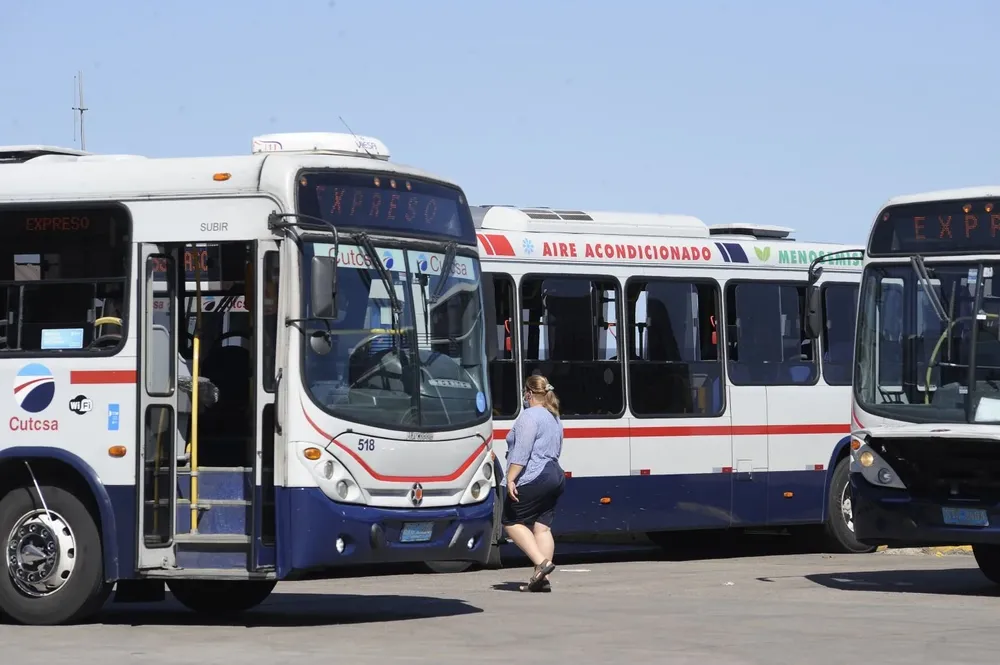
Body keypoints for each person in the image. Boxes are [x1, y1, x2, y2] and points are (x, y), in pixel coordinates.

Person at [502, 374, 565, 592]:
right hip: (555, 475)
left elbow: (522, 452)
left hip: (534, 475)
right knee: (542, 528)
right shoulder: (553, 416)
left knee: (511, 521)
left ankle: (543, 563)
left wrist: (510, 478)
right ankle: (541, 579)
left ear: (528, 393)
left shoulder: (529, 416)